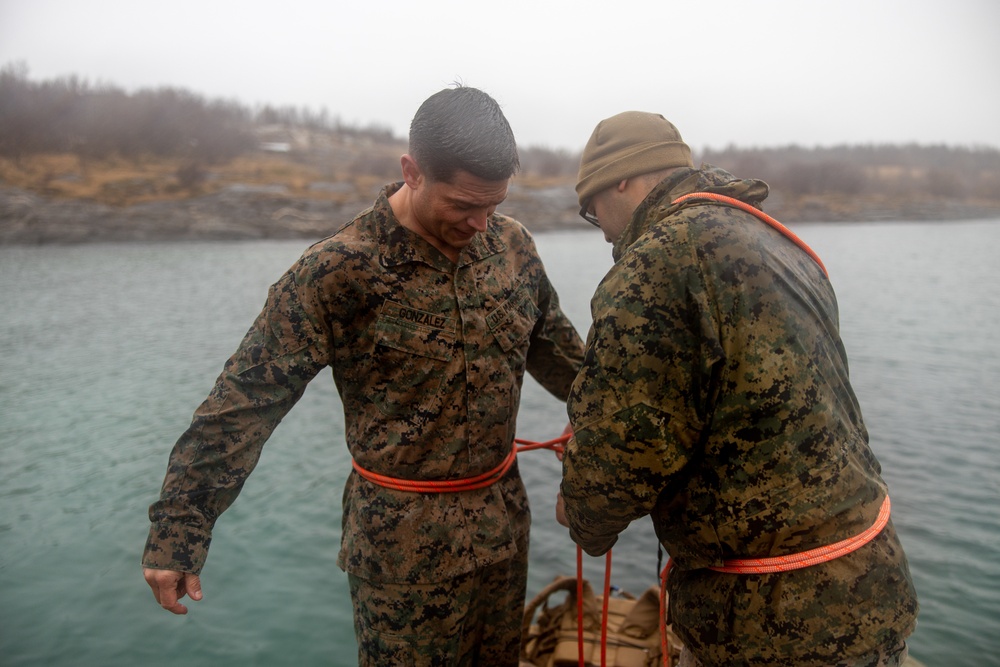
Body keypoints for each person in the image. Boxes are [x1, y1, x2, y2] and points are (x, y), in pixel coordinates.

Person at [142, 85, 586, 666]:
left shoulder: (513, 247)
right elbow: (244, 403)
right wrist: (179, 531)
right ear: (412, 171)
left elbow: (564, 359)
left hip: (503, 530)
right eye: (462, 205)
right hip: (402, 558)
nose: (480, 223)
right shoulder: (338, 270)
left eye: (493, 205)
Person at [556, 111, 918, 666]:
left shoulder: (655, 262)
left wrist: (581, 513)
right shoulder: (774, 239)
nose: (601, 227)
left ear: (621, 179)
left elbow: (618, 464)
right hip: (870, 586)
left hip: (766, 626)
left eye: (591, 209)